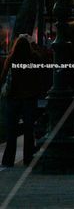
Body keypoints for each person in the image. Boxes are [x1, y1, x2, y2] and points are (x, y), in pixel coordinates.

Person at [0, 35, 41, 167]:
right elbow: (41, 75)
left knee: (11, 131)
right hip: (29, 98)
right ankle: (28, 158)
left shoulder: (11, 59)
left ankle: (8, 159)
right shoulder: (34, 59)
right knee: (29, 130)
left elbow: (4, 77)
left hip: (13, 98)